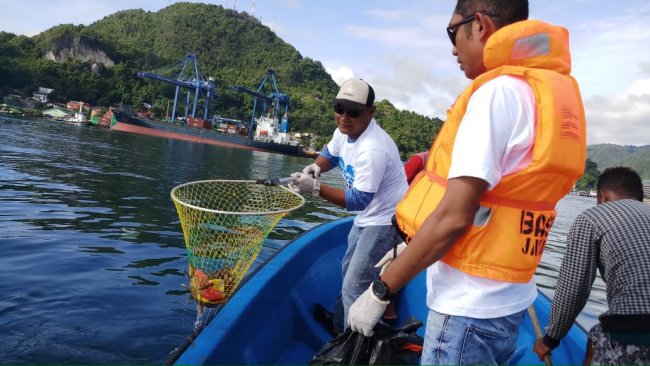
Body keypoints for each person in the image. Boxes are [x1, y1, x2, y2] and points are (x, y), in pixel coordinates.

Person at [347, 0, 587, 364]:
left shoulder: (496, 94)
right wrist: (409, 249)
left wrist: (382, 289)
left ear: (480, 25)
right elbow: (486, 208)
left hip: (466, 312)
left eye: (452, 32)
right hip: (509, 303)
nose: (452, 47)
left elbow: (455, 217)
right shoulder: (537, 96)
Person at [289, 78, 408, 332]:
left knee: (355, 284)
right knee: (348, 270)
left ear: (370, 112)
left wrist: (316, 188)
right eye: (339, 108)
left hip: (385, 221)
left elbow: (357, 201)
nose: (344, 117)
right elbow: (331, 154)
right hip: (367, 217)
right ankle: (340, 325)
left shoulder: (373, 149)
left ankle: (349, 348)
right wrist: (316, 167)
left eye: (353, 111)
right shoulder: (344, 131)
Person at [533, 167, 650, 364]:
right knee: (596, 335)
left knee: (603, 335)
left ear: (602, 196)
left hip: (635, 330)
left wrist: (550, 339)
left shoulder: (593, 217)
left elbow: (573, 289)